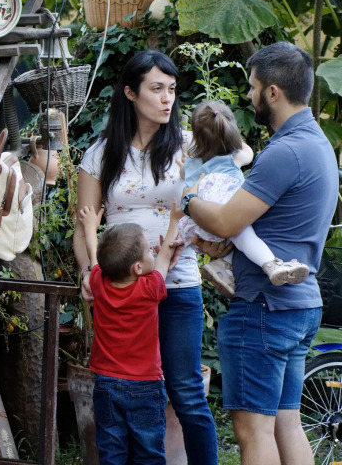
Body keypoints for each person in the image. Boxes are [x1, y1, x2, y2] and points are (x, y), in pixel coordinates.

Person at [182, 42, 337, 465]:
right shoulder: (318, 145)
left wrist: (187, 201)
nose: (248, 97)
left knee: (254, 431)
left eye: (252, 88)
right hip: (299, 306)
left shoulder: (284, 153)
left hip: (266, 309)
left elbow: (227, 221)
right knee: (286, 424)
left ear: (273, 92)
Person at [75, 50, 218, 465]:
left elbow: (233, 171)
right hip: (120, 290)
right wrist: (88, 272)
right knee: (118, 388)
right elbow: (85, 222)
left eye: (172, 89)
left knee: (187, 393)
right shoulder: (101, 154)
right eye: (157, 89)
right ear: (130, 92)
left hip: (176, 285)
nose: (167, 99)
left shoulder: (189, 148)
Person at [79, 202, 183, 465]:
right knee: (149, 453)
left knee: (111, 452)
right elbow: (164, 258)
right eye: (148, 250)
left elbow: (94, 258)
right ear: (137, 268)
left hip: (106, 384)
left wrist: (91, 226)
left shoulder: (100, 282)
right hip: (145, 386)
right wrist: (173, 221)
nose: (152, 252)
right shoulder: (149, 289)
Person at [178, 100, 309, 298]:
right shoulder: (235, 156)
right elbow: (248, 151)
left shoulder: (190, 162)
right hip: (225, 213)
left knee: (234, 240)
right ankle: (271, 264)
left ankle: (225, 269)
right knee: (244, 235)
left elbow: (184, 180)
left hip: (200, 221)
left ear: (196, 135)